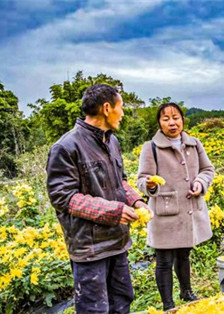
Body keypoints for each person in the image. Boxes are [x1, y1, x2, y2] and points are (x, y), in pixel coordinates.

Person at [46, 84, 149, 313]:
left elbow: (120, 181)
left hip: (117, 242)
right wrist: (112, 211)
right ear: (106, 108)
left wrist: (136, 201)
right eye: (120, 107)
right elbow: (64, 197)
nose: (122, 113)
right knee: (95, 309)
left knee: (122, 303)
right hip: (90, 249)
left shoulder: (112, 141)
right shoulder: (66, 147)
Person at [137, 102, 215, 310]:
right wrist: (149, 185)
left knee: (184, 253)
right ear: (159, 123)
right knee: (164, 260)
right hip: (165, 212)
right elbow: (142, 179)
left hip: (189, 210)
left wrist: (200, 183)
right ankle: (168, 304)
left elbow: (208, 169)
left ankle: (186, 291)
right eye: (166, 119)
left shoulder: (194, 143)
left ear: (182, 119)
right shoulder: (151, 147)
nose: (172, 122)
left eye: (176, 117)